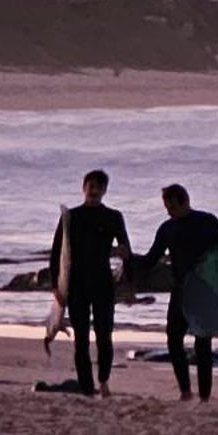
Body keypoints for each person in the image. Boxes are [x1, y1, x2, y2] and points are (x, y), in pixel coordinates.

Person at [132, 183, 218, 404]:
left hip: (204, 291)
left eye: (171, 207)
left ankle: (204, 396)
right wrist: (128, 260)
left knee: (202, 343)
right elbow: (150, 260)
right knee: (173, 339)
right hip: (181, 291)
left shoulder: (207, 222)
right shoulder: (167, 228)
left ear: (184, 201)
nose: (168, 212)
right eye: (166, 207)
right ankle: (185, 391)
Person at [51, 169, 132, 397]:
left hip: (103, 282)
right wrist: (55, 285)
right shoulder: (71, 217)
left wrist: (130, 284)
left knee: (105, 334)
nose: (94, 191)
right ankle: (87, 388)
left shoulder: (114, 217)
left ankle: (104, 380)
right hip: (77, 283)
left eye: (98, 187)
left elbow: (126, 251)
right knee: (81, 338)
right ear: (83, 188)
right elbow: (59, 251)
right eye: (90, 186)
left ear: (105, 190)